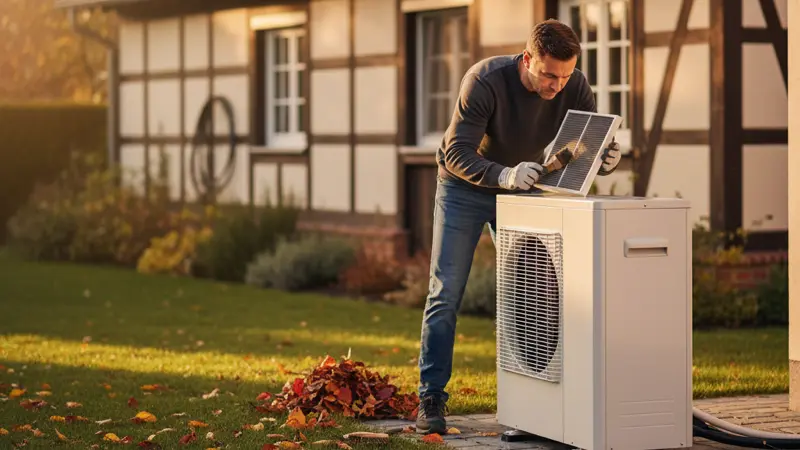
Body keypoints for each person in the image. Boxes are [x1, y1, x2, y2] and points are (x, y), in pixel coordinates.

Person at [414, 19, 621, 435]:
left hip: (524, 184)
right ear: (527, 60)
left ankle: (535, 404)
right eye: (548, 74)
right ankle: (431, 396)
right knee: (446, 290)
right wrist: (504, 176)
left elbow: (583, 145)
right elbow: (455, 153)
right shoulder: (485, 81)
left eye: (564, 76)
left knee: (534, 293)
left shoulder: (574, 83)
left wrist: (605, 157)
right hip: (464, 188)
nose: (557, 85)